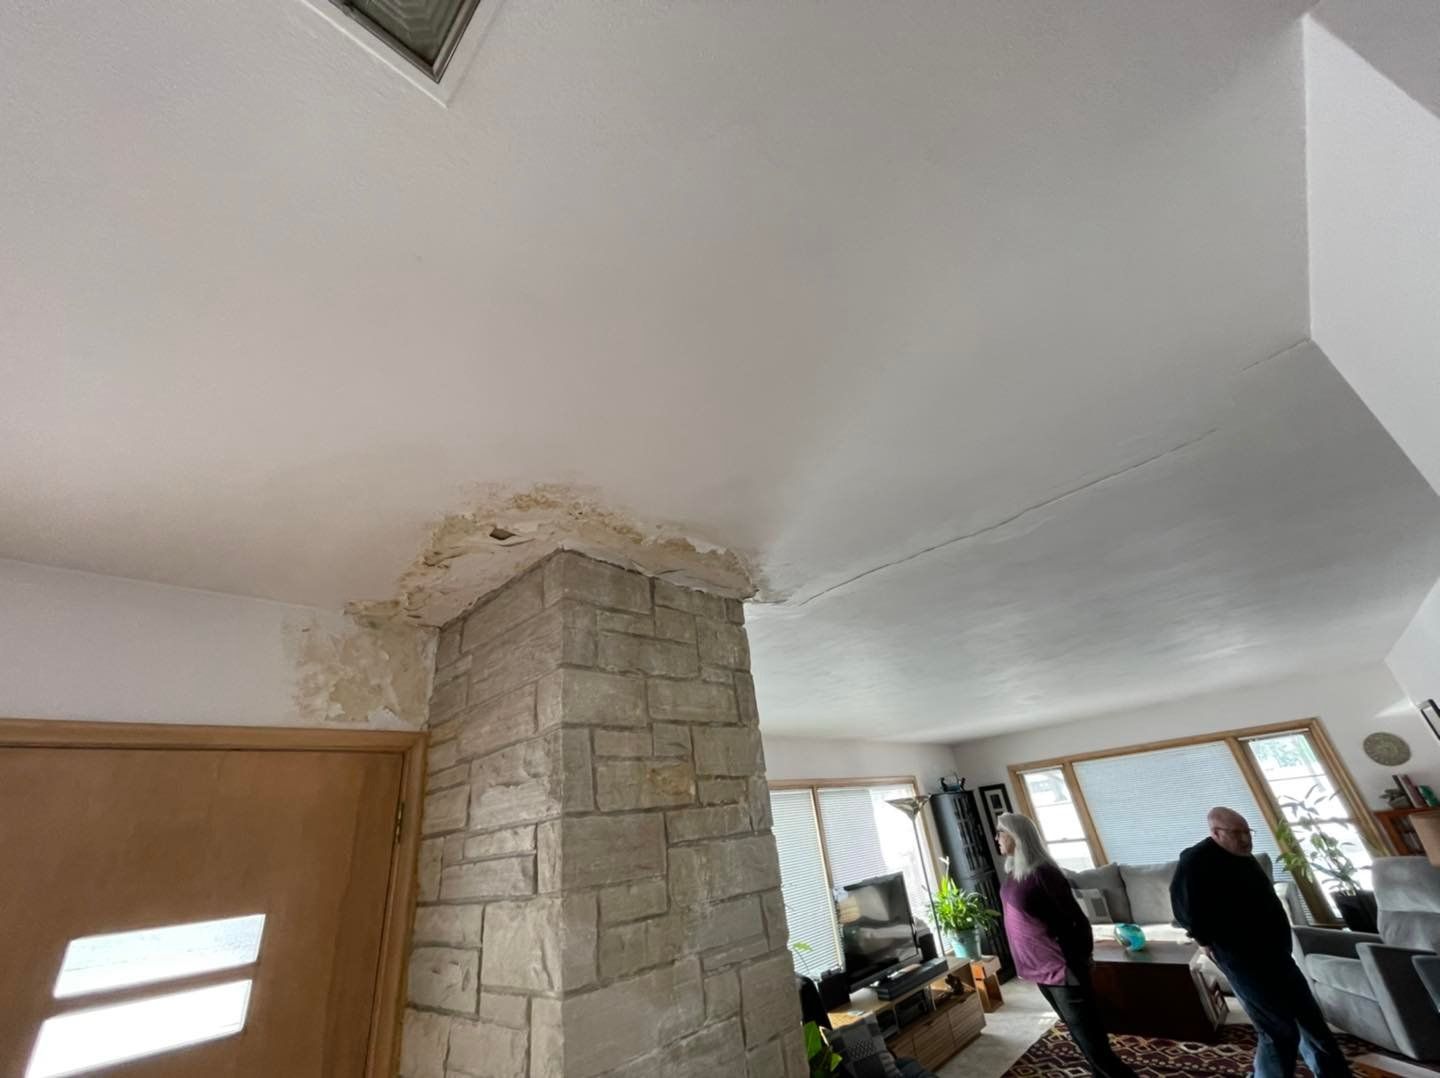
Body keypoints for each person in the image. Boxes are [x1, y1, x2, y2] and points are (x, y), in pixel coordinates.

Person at [1170, 806, 1352, 1078]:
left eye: (1247, 832)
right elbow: (1184, 907)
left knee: (1310, 1018)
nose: (1246, 839)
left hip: (1276, 951)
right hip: (1240, 956)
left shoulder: (1244, 856)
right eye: (1237, 833)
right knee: (1277, 1028)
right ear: (1216, 833)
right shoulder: (1195, 860)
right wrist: (1204, 940)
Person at [996, 812, 1139, 1078]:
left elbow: (1077, 921)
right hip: (1037, 967)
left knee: (1092, 1041)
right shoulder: (1014, 872)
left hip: (1061, 968)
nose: (997, 838)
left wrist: (1082, 957)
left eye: (1001, 832)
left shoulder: (1044, 873)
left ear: (1017, 836)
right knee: (1077, 1033)